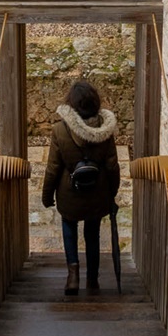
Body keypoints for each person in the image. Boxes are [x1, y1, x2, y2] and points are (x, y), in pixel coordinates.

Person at [41, 78, 121, 295]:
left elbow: (53, 168)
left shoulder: (60, 130)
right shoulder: (105, 132)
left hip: (69, 192)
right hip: (97, 192)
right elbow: (112, 166)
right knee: (92, 232)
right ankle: (93, 280)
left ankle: (73, 276)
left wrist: (47, 196)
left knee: (69, 226)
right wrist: (111, 193)